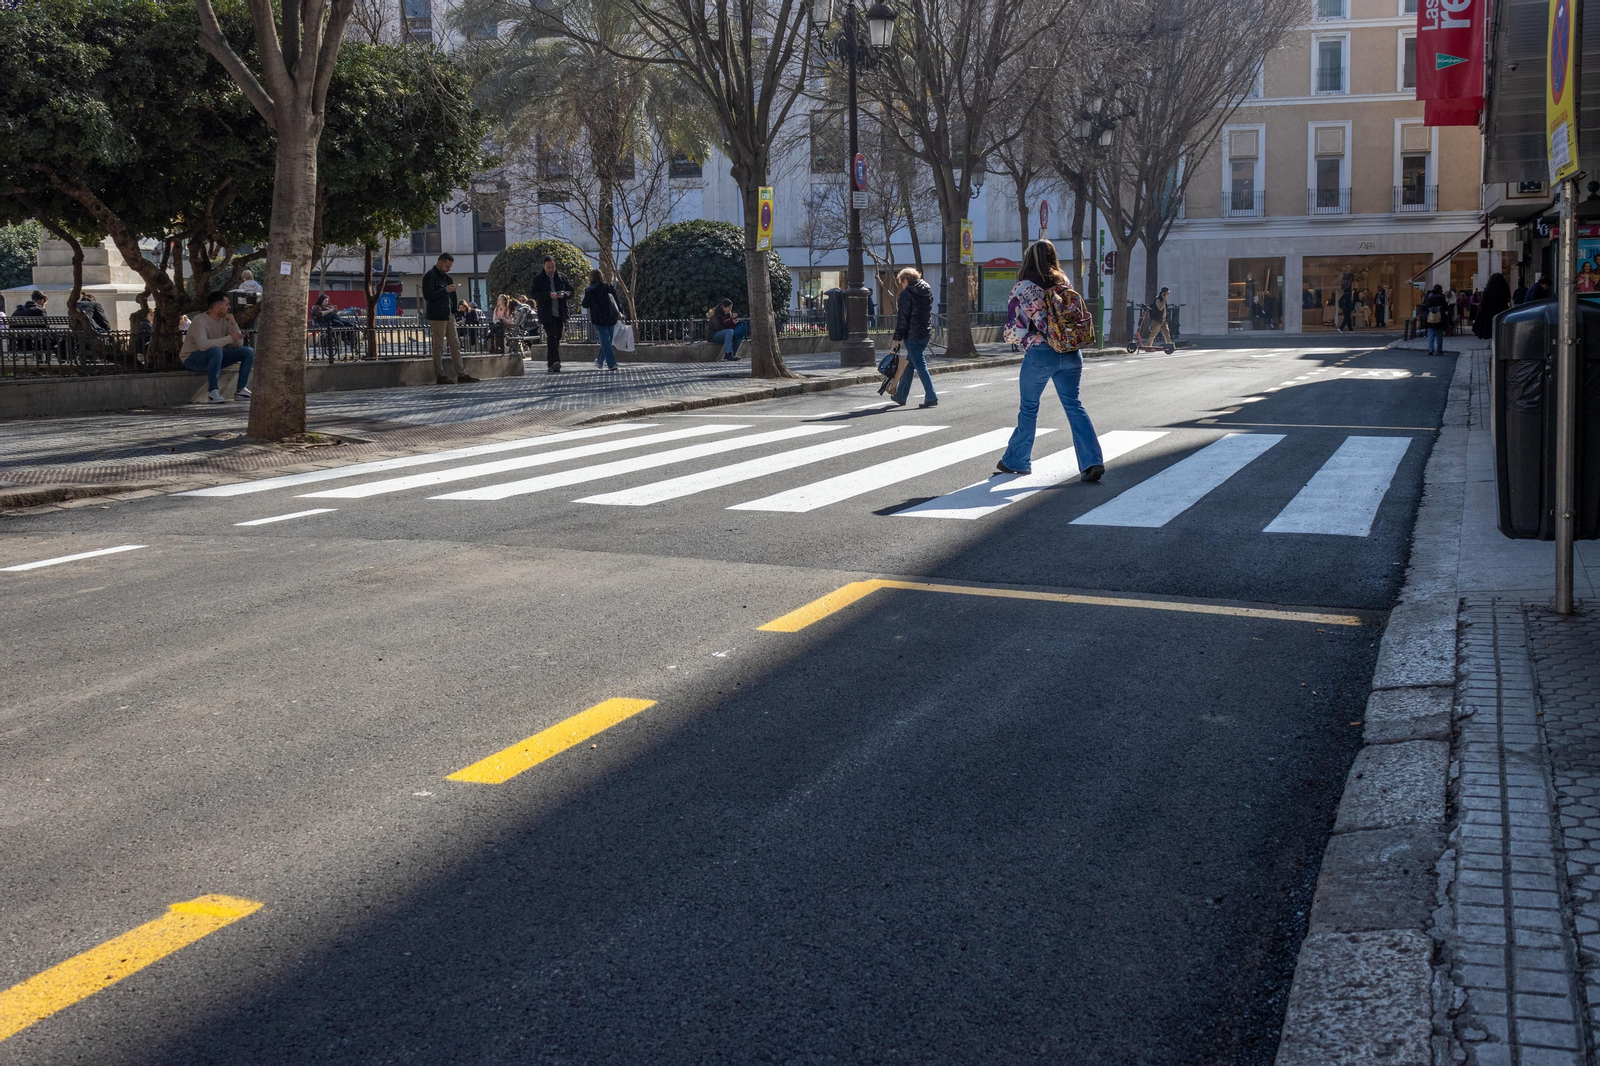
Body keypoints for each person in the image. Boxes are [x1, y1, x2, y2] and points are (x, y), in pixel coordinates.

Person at [996, 239, 1104, 482]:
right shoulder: (1063, 283)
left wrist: (1024, 333)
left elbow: (1015, 330)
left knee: (1029, 408)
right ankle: (1092, 462)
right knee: (1074, 406)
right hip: (1071, 352)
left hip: (1041, 352)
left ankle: (1018, 460)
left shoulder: (1024, 288)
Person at [180, 291, 254, 403]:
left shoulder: (226, 320)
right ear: (217, 307)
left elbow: (238, 344)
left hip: (216, 356)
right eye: (227, 304)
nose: (229, 307)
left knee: (248, 351)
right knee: (216, 350)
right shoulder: (199, 320)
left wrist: (233, 323)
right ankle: (213, 392)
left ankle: (241, 390)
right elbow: (203, 345)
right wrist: (229, 338)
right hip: (193, 358)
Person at [422, 253, 476, 384]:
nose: (449, 269)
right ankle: (440, 375)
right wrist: (445, 290)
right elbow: (428, 295)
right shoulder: (430, 276)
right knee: (439, 345)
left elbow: (451, 296)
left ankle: (461, 373)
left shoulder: (447, 277)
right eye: (447, 266)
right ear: (439, 262)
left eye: (450, 266)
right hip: (438, 315)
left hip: (449, 314)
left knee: (455, 344)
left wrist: (454, 310)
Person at [889, 267, 936, 408]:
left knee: (920, 365)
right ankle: (900, 396)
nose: (902, 285)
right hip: (925, 333)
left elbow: (902, 318)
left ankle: (931, 396)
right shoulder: (927, 290)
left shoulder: (906, 294)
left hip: (912, 335)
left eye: (902, 282)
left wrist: (897, 339)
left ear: (906, 279)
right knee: (909, 366)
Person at [530, 255, 572, 372]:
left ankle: (551, 362)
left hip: (560, 312)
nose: (551, 269)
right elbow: (534, 294)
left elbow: (571, 291)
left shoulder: (562, 277)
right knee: (551, 336)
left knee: (557, 337)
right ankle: (555, 361)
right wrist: (548, 295)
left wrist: (564, 294)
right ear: (544, 266)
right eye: (548, 267)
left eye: (553, 267)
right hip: (547, 313)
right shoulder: (538, 279)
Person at [580, 269, 622, 371]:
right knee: (608, 340)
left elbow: (585, 304)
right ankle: (599, 361)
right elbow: (616, 300)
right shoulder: (608, 287)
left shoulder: (590, 290)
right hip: (611, 316)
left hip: (599, 318)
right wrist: (620, 312)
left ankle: (611, 363)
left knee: (605, 341)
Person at [1475, 272, 1512, 339]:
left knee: (1491, 331)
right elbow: (1508, 299)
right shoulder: (1505, 289)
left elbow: (1484, 302)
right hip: (1502, 311)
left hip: (1489, 313)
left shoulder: (1488, 290)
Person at [1422, 284, 1449, 355]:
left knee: (1430, 333)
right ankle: (1439, 349)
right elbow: (1446, 307)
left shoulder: (1428, 296)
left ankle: (1430, 349)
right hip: (1439, 316)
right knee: (1439, 333)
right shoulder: (1441, 296)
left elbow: (1424, 306)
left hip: (1430, 316)